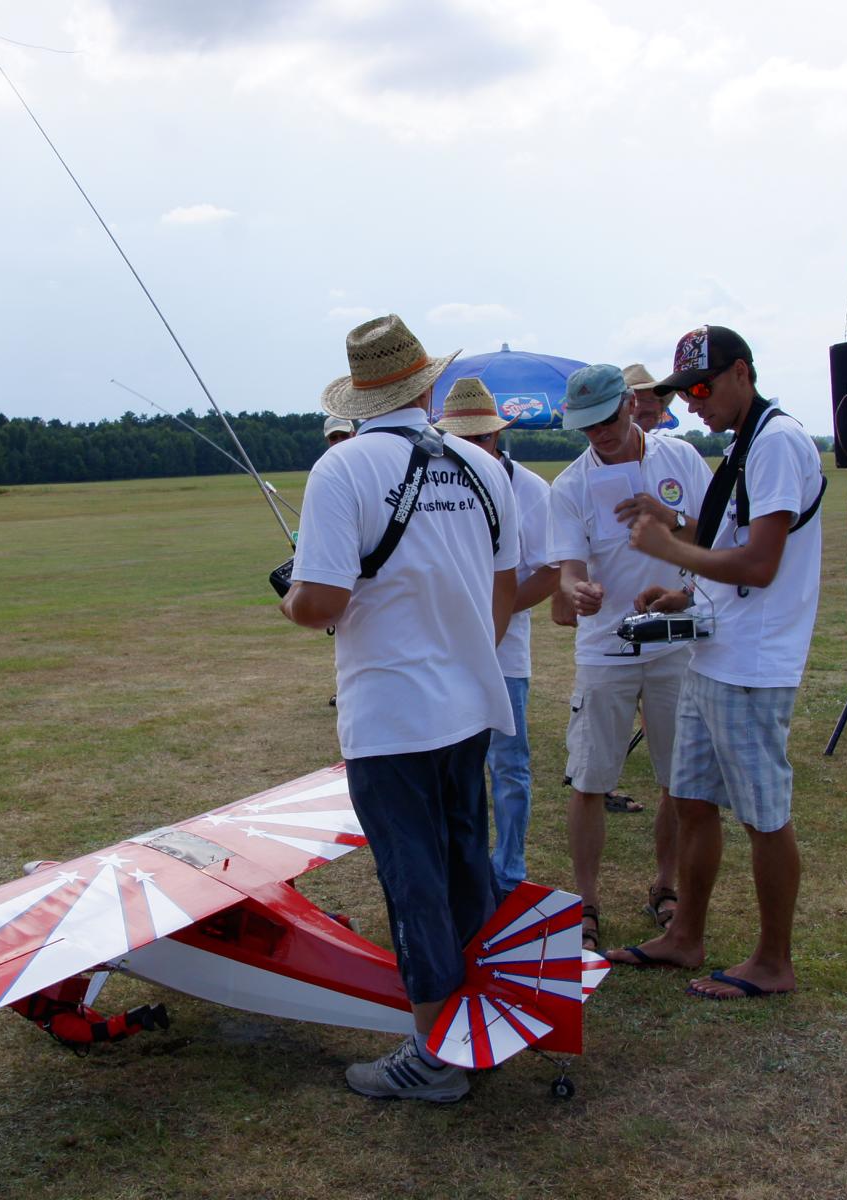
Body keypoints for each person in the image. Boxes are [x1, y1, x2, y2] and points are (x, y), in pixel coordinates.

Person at [280, 314, 518, 1101]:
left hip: (390, 717)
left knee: (414, 883)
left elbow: (321, 602)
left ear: (360, 396)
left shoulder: (342, 469)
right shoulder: (483, 466)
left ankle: (435, 1058)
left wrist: (288, 600)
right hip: (469, 705)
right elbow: (503, 590)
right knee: (466, 867)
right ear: (426, 387)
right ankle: (484, 1023)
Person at [613, 325, 825, 1002]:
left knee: (764, 815)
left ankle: (773, 962)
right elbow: (726, 543)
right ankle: (686, 937)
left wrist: (671, 549)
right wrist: (686, 588)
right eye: (683, 392)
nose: (691, 403)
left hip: (753, 664)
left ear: (742, 373)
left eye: (701, 389)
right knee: (693, 800)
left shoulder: (778, 442)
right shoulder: (742, 444)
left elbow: (760, 564)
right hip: (715, 651)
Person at [547, 364, 711, 959]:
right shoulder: (570, 485)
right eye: (586, 426)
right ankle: (586, 903)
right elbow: (568, 571)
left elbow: (716, 536)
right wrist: (578, 591)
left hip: (676, 641)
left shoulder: (681, 458)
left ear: (630, 405)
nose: (599, 433)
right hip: (605, 650)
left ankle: (666, 887)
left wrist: (671, 520)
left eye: (606, 420)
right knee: (590, 778)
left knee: (679, 778)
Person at [433, 377, 559, 903]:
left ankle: (508, 872)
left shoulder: (530, 490)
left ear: (498, 435)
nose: (472, 448)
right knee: (451, 770)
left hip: (505, 657)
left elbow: (550, 571)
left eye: (481, 437)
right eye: (460, 439)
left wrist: (490, 622)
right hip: (445, 656)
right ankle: (463, 874)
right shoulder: (435, 483)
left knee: (508, 767)